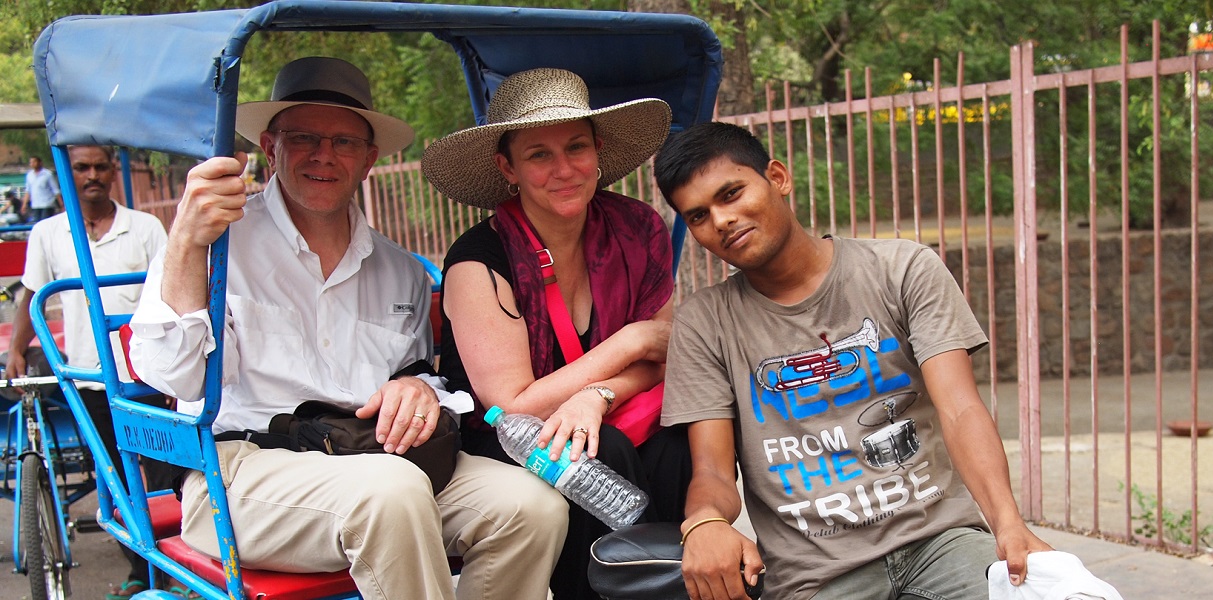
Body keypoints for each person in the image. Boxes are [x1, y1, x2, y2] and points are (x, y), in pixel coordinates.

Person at [128, 57, 566, 600]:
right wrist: (187, 242)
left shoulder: (399, 269)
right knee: (392, 491)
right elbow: (175, 376)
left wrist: (416, 389)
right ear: (270, 148)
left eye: (344, 143)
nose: (323, 155)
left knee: (533, 506)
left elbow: (415, 375)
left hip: (369, 457)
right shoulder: (215, 248)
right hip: (238, 473)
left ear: (368, 161)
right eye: (304, 137)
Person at [653, 122, 1053, 600]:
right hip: (815, 575)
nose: (721, 221)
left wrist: (1008, 523)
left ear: (777, 178)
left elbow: (961, 409)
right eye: (698, 216)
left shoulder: (903, 268)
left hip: (941, 541)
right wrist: (705, 522)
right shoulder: (704, 322)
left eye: (732, 193)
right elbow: (714, 472)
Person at [420, 67, 691, 600]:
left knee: (682, 436)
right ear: (508, 167)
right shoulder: (479, 260)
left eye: (576, 147)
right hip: (499, 437)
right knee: (593, 452)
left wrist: (597, 394)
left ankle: (691, 581)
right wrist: (630, 341)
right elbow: (514, 405)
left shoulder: (637, 229)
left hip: (608, 409)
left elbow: (666, 356)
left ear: (599, 150)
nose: (564, 169)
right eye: (539, 154)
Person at [4, 144, 169, 599]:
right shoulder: (48, 232)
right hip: (87, 377)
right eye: (81, 167)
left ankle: (170, 564)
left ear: (113, 171)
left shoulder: (146, 228)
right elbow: (32, 294)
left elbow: (175, 289)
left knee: (163, 477)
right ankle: (142, 571)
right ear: (65, 174)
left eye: (100, 166)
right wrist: (17, 351)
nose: (92, 174)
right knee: (116, 478)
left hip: (147, 379)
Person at [24, 155, 61, 222]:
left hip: (47, 204)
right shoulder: (29, 175)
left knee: (46, 223)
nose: (32, 164)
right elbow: (28, 191)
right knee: (37, 224)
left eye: (34, 162)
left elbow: (55, 190)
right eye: (31, 162)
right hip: (35, 205)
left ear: (40, 162)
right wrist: (24, 204)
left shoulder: (47, 174)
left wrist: (61, 204)